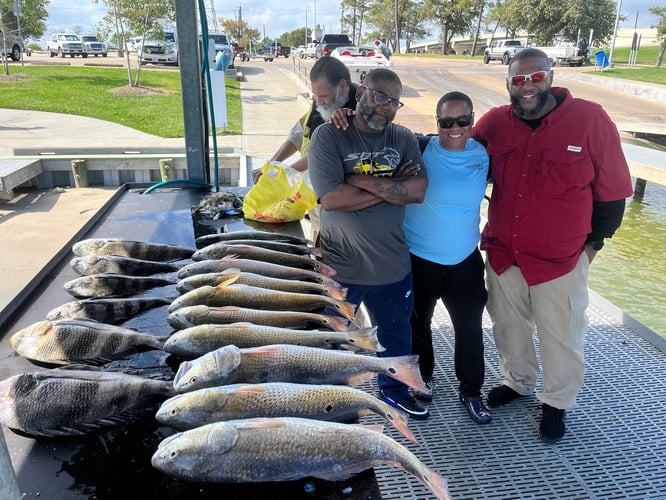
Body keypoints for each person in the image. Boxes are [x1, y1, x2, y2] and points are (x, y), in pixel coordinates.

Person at [473, 48, 634, 443]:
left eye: (536, 77)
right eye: (518, 80)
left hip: (561, 259)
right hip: (504, 254)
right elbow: (455, 150)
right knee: (508, 328)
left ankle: (557, 402)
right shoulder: (494, 122)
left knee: (561, 336)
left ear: (550, 75)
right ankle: (519, 381)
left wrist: (593, 247)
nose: (527, 86)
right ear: (508, 82)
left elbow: (612, 193)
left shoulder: (590, 119)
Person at [308, 68, 430, 420]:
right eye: (379, 95)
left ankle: (393, 393)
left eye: (394, 101)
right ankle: (327, 398)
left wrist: (358, 180)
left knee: (395, 338)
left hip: (392, 265)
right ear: (360, 92)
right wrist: (393, 188)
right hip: (339, 264)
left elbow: (417, 192)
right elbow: (331, 198)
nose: (386, 107)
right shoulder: (329, 137)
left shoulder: (403, 137)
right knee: (331, 338)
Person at [403, 91, 492, 424]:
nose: (455, 128)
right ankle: (424, 377)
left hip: (464, 261)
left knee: (469, 330)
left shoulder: (484, 156)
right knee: (418, 325)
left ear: (473, 119)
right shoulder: (418, 148)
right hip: (419, 259)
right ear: (436, 122)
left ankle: (471, 391)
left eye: (463, 120)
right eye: (446, 122)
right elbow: (373, 130)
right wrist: (342, 114)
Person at [251, 56, 357, 184]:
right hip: (307, 188)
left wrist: (286, 173)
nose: (319, 102)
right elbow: (298, 135)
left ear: (342, 86)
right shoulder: (320, 104)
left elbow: (323, 153)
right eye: (316, 96)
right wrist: (271, 165)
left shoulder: (359, 112)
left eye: (323, 96)